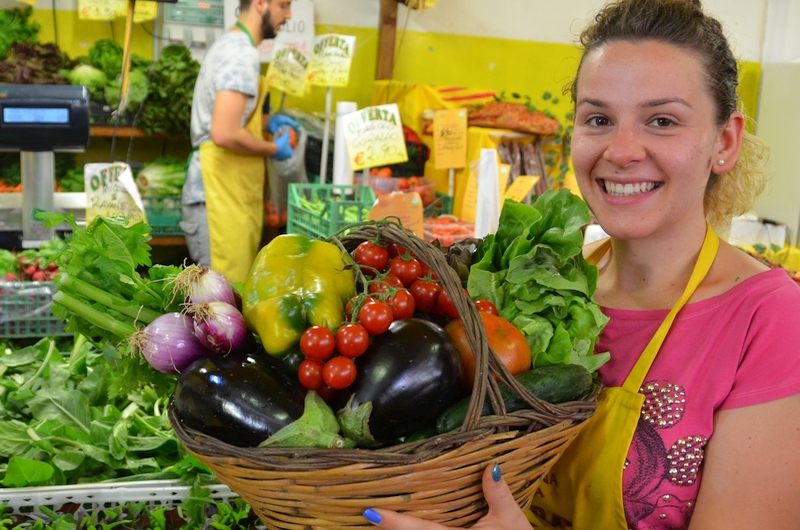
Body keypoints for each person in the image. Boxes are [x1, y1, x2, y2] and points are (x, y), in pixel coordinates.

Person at [361, 0, 800, 528]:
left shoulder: (771, 320)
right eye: (599, 119)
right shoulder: (544, 287)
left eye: (662, 121)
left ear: (723, 142)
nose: (621, 150)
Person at [181, 0, 298, 284]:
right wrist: (273, 148)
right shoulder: (240, 54)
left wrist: (266, 122)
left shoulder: (232, 46)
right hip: (217, 193)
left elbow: (228, 116)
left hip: (226, 192)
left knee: (225, 297)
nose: (288, 14)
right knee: (218, 305)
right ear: (260, 4)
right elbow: (224, 132)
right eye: (283, 5)